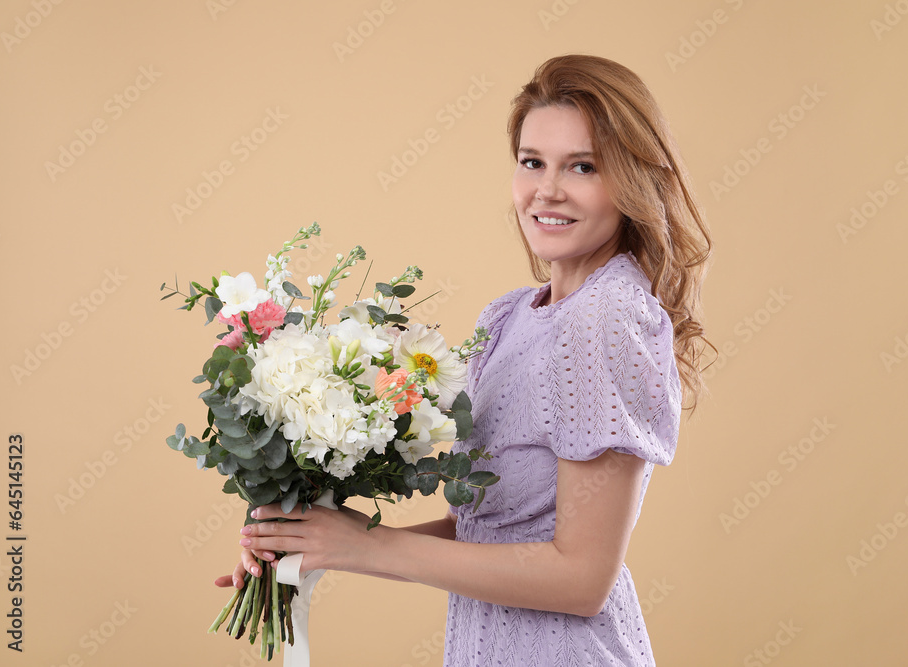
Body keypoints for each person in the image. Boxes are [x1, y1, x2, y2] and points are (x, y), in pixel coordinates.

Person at [216, 53, 715, 666]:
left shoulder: (604, 318)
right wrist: (316, 539)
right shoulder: (509, 318)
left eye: (582, 167)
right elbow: (487, 536)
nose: (547, 190)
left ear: (633, 181)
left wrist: (365, 548)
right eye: (532, 162)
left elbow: (581, 580)